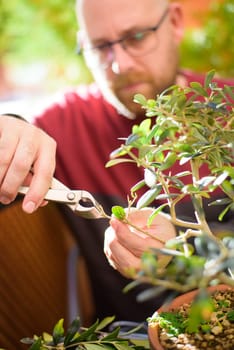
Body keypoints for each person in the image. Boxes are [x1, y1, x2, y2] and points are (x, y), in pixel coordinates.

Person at [0, 0, 233, 323]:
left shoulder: (227, 111)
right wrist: (10, 129)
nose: (120, 65)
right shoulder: (65, 127)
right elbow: (14, 149)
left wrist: (184, 243)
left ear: (176, 22)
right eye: (100, 47)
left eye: (137, 37)